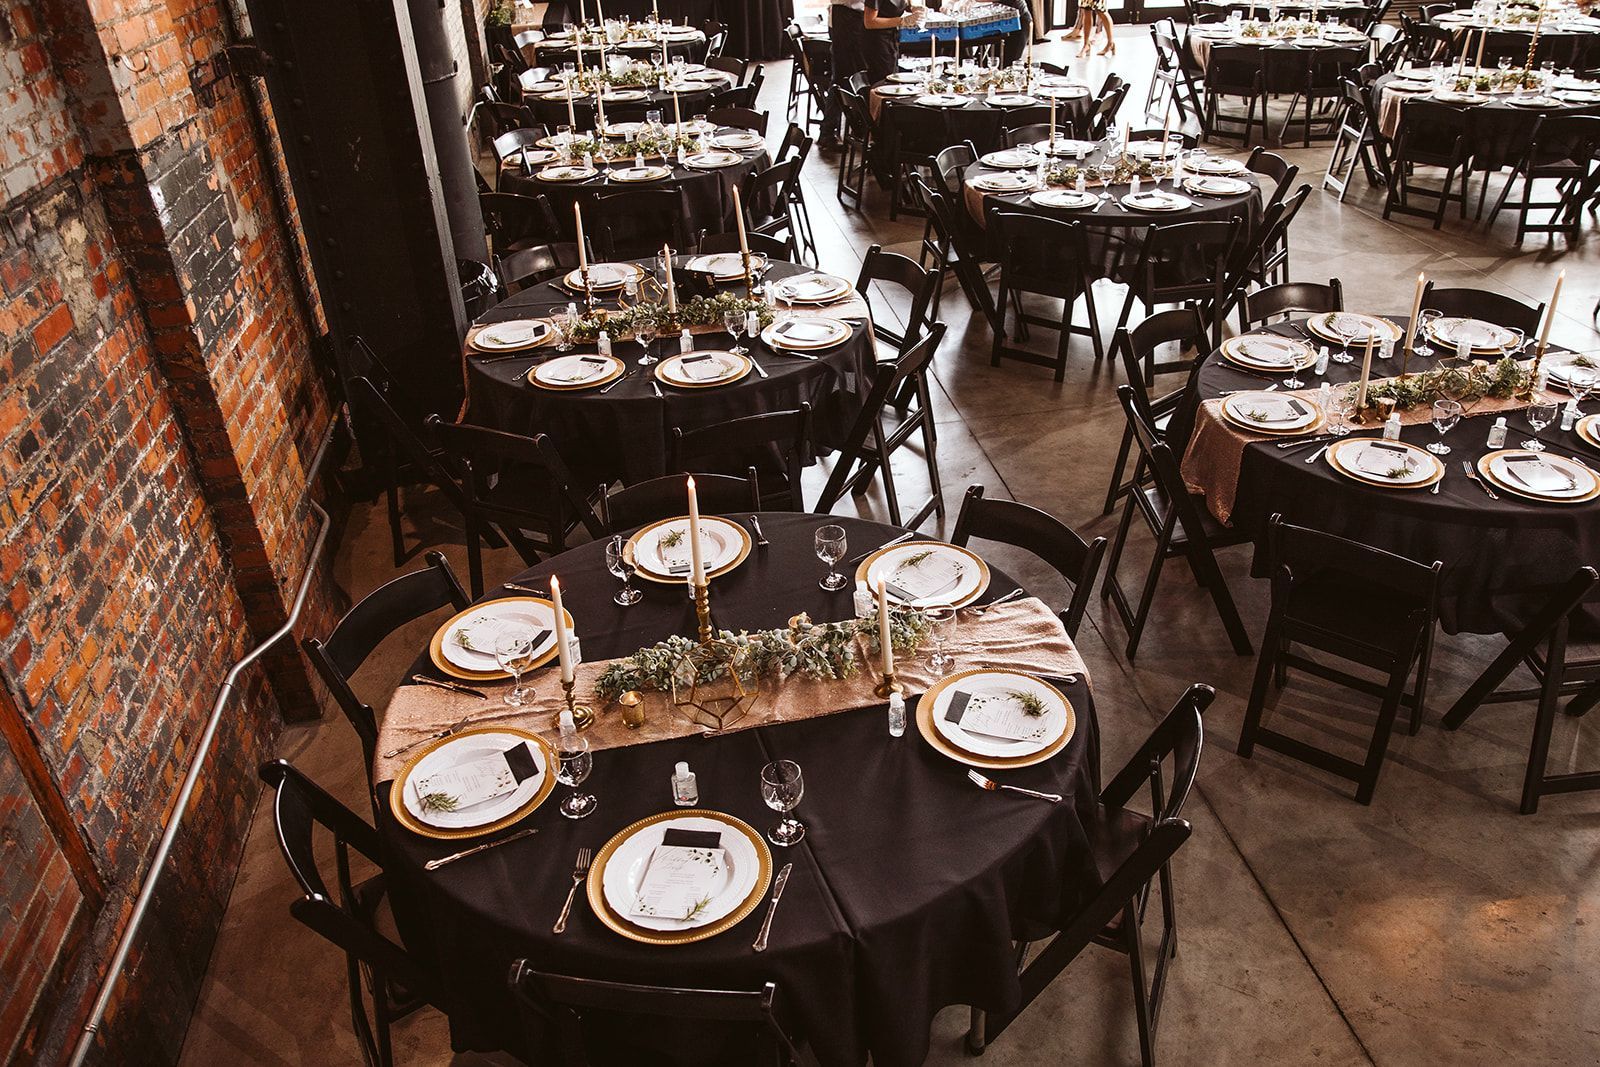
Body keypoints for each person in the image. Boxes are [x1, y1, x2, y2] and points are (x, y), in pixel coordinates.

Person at [821, 0, 923, 147]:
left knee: (863, 76)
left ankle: (865, 129)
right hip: (846, 16)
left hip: (861, 18)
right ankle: (828, 132)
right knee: (843, 76)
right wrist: (902, 20)